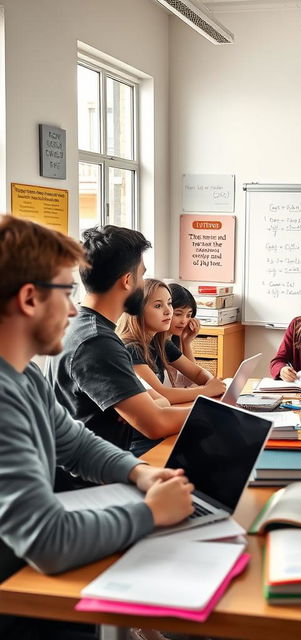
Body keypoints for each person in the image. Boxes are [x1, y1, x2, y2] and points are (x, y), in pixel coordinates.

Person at [0, 216, 193, 639]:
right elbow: (47, 540)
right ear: (31, 298)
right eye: (66, 292)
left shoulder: (24, 375)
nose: (73, 308)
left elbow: (74, 442)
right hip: (21, 595)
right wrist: (150, 513)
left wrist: (138, 472)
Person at [47, 225, 191, 454]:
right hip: (90, 480)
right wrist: (218, 411)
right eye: (142, 275)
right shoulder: (97, 342)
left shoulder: (78, 325)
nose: (143, 285)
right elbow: (156, 423)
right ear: (127, 280)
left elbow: (152, 406)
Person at [117, 278, 226, 456]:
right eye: (158, 306)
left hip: (158, 430)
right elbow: (163, 394)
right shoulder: (130, 348)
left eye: (169, 303)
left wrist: (210, 384)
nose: (168, 311)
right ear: (137, 310)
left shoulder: (160, 343)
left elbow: (197, 373)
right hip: (139, 441)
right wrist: (206, 390)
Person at [167, 282, 200, 364]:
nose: (184, 321)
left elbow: (193, 374)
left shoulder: (174, 341)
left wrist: (186, 342)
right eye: (178, 314)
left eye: (188, 315)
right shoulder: (161, 345)